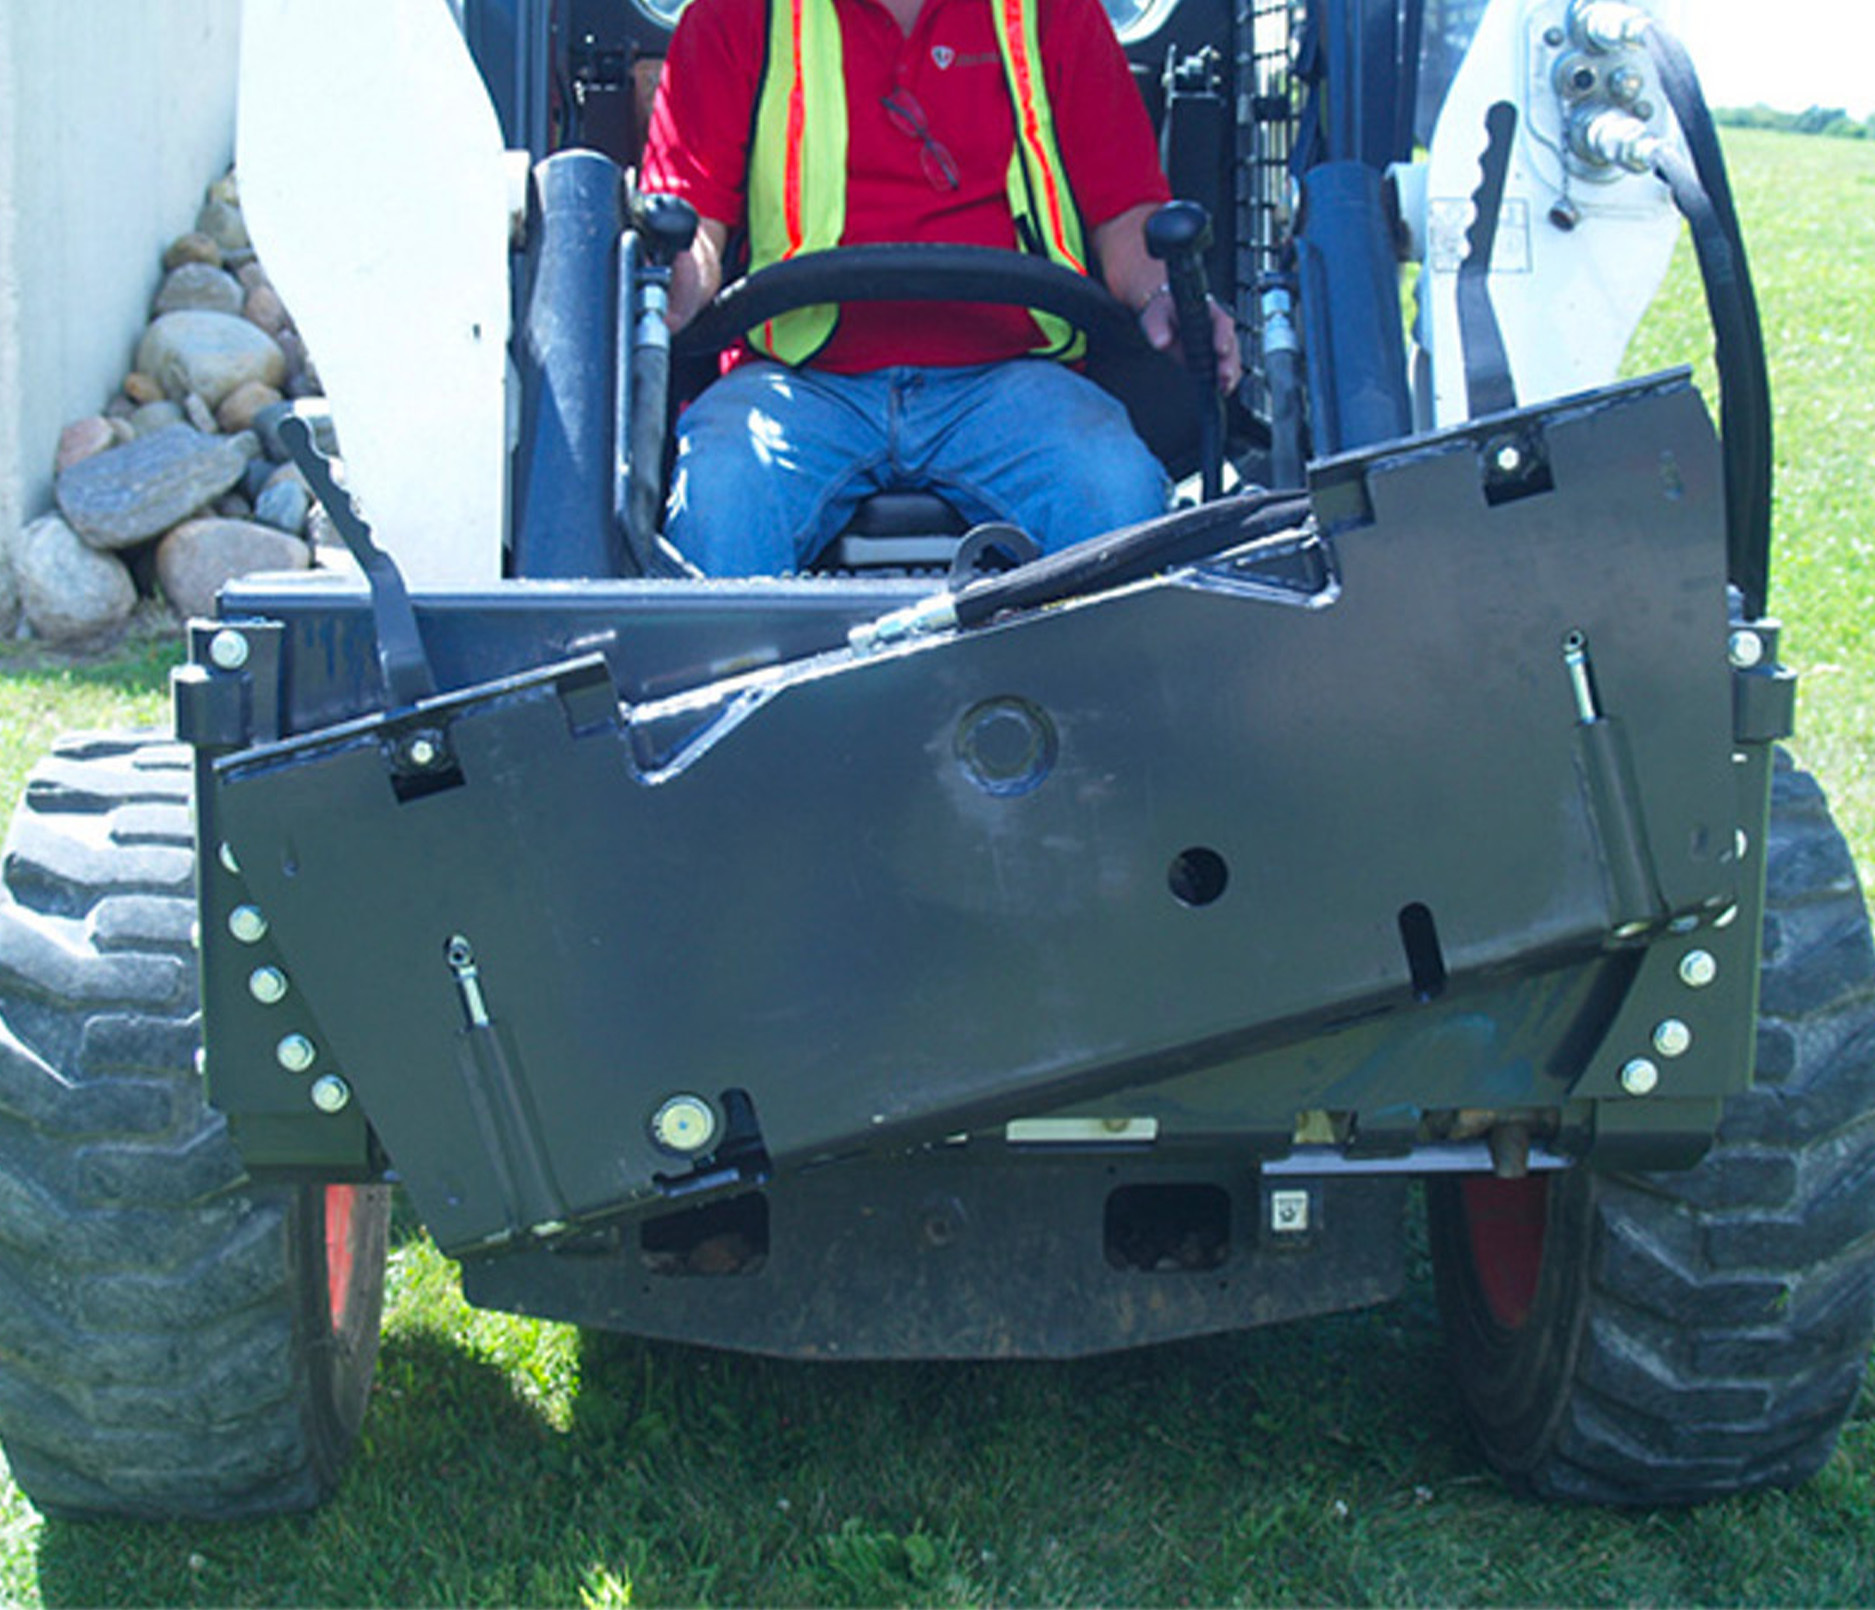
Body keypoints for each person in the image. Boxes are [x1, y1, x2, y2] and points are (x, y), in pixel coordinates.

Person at [640, 0, 1242, 576]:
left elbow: (1127, 212)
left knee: (1114, 485)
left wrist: (1170, 298)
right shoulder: (732, 16)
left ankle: (1106, 682)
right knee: (721, 491)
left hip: (1010, 384)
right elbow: (692, 223)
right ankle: (732, 684)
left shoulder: (1054, 12)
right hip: (796, 383)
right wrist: (674, 282)